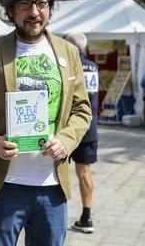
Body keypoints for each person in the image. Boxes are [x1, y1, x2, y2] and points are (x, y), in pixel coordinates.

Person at [0, 0, 93, 246]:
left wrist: (66, 141)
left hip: (52, 187)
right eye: (25, 4)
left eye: (42, 3)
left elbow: (82, 109)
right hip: (4, 186)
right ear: (11, 10)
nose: (35, 12)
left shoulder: (68, 52)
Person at [64, 33, 99, 234]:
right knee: (84, 172)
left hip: (68, 128)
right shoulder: (93, 67)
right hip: (89, 127)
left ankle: (52, 212)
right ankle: (87, 215)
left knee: (57, 170)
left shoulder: (69, 66)